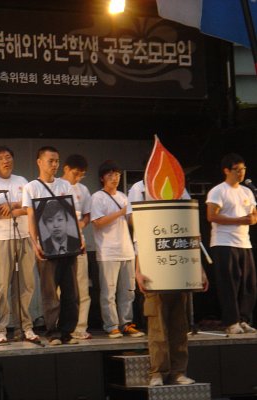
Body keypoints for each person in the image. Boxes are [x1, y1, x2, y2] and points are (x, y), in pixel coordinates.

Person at [130, 179, 209, 386]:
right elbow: (139, 234)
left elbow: (191, 232)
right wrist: (138, 270)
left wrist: (199, 270)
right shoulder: (140, 189)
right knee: (157, 326)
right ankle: (158, 372)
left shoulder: (179, 189)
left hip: (178, 269)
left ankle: (178, 371)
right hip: (153, 269)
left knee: (179, 325)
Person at [0, 146, 39, 344]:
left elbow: (31, 208)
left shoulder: (22, 181)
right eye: (1, 158)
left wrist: (12, 205)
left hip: (24, 236)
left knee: (26, 285)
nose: (6, 161)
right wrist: (20, 206)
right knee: (1, 286)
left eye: (8, 157)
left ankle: (24, 327)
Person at [22, 146, 79, 345]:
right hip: (46, 245)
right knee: (49, 292)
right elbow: (31, 217)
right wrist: (35, 242)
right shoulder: (31, 187)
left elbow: (72, 214)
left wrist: (79, 237)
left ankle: (67, 331)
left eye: (57, 161)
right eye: (50, 161)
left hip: (68, 243)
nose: (54, 165)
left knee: (71, 291)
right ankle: (53, 332)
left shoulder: (65, 185)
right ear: (39, 162)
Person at [90, 160, 144, 339]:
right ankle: (111, 325)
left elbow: (130, 221)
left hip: (126, 249)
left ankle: (126, 323)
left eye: (117, 175)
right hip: (108, 251)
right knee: (109, 292)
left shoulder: (123, 196)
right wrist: (121, 212)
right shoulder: (97, 197)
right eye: (110, 175)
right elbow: (97, 222)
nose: (115, 178)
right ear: (102, 178)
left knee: (128, 291)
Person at [206, 153, 257, 334]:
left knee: (249, 284)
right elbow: (211, 216)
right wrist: (240, 220)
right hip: (224, 242)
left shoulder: (247, 191)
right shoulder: (218, 191)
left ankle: (244, 319)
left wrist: (250, 219)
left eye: (243, 169)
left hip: (244, 243)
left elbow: (253, 215)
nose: (241, 173)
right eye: (237, 170)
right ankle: (231, 321)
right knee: (229, 284)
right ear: (226, 171)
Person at [61, 154, 92, 340]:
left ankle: (81, 326)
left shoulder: (83, 189)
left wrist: (81, 224)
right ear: (66, 169)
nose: (78, 178)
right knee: (61, 288)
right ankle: (63, 326)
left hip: (78, 240)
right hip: (58, 241)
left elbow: (87, 215)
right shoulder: (56, 185)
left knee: (82, 286)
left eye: (82, 175)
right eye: (75, 173)